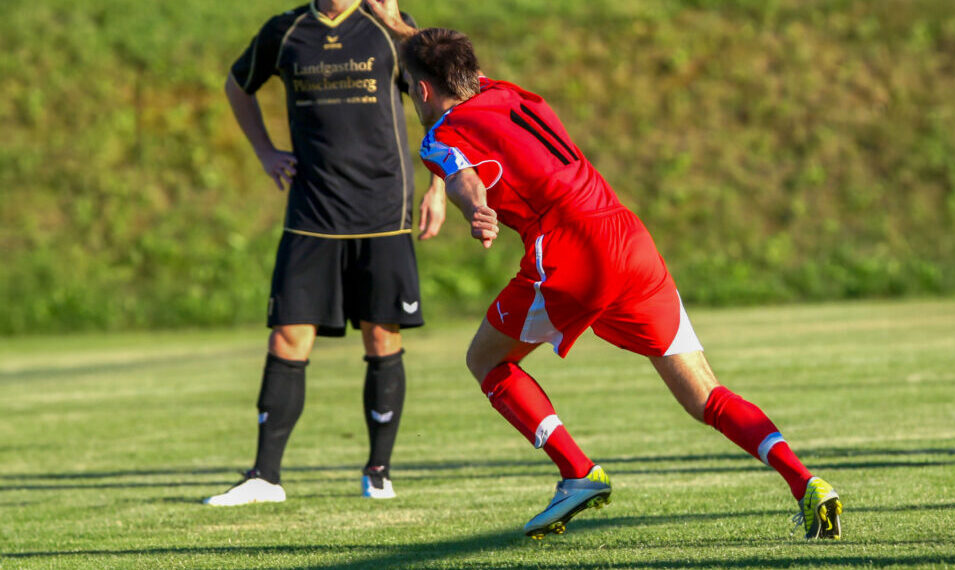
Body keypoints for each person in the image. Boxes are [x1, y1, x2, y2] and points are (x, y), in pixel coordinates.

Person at [371, 8, 843, 540]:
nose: (410, 96)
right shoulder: (505, 91)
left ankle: (577, 472)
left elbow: (461, 179)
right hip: (630, 237)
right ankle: (808, 482)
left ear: (426, 91)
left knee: (485, 359)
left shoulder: (441, 131)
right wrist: (401, 29)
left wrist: (475, 211)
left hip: (574, 248)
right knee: (705, 395)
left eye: (410, 87)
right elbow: (444, 63)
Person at [203, 0, 447, 506]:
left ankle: (378, 471)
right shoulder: (286, 31)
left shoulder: (388, 29)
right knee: (288, 335)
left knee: (382, 334)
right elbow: (237, 85)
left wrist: (439, 187)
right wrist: (266, 152)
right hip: (312, 212)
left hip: (383, 209)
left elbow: (437, 105)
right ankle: (264, 477)